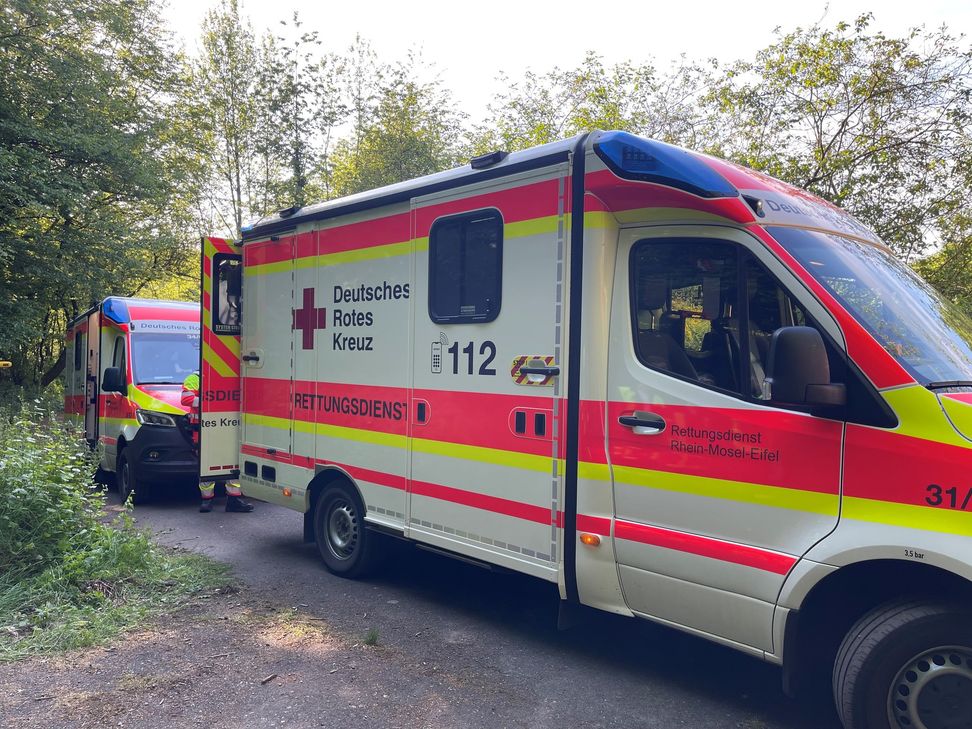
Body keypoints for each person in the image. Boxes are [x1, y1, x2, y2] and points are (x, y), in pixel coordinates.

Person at [181, 371, 253, 513]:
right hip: (203, 431)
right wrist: (211, 399)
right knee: (207, 465)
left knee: (232, 464)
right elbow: (186, 399)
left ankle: (233, 500)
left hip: (227, 428)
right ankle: (206, 500)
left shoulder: (229, 377)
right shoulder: (194, 378)